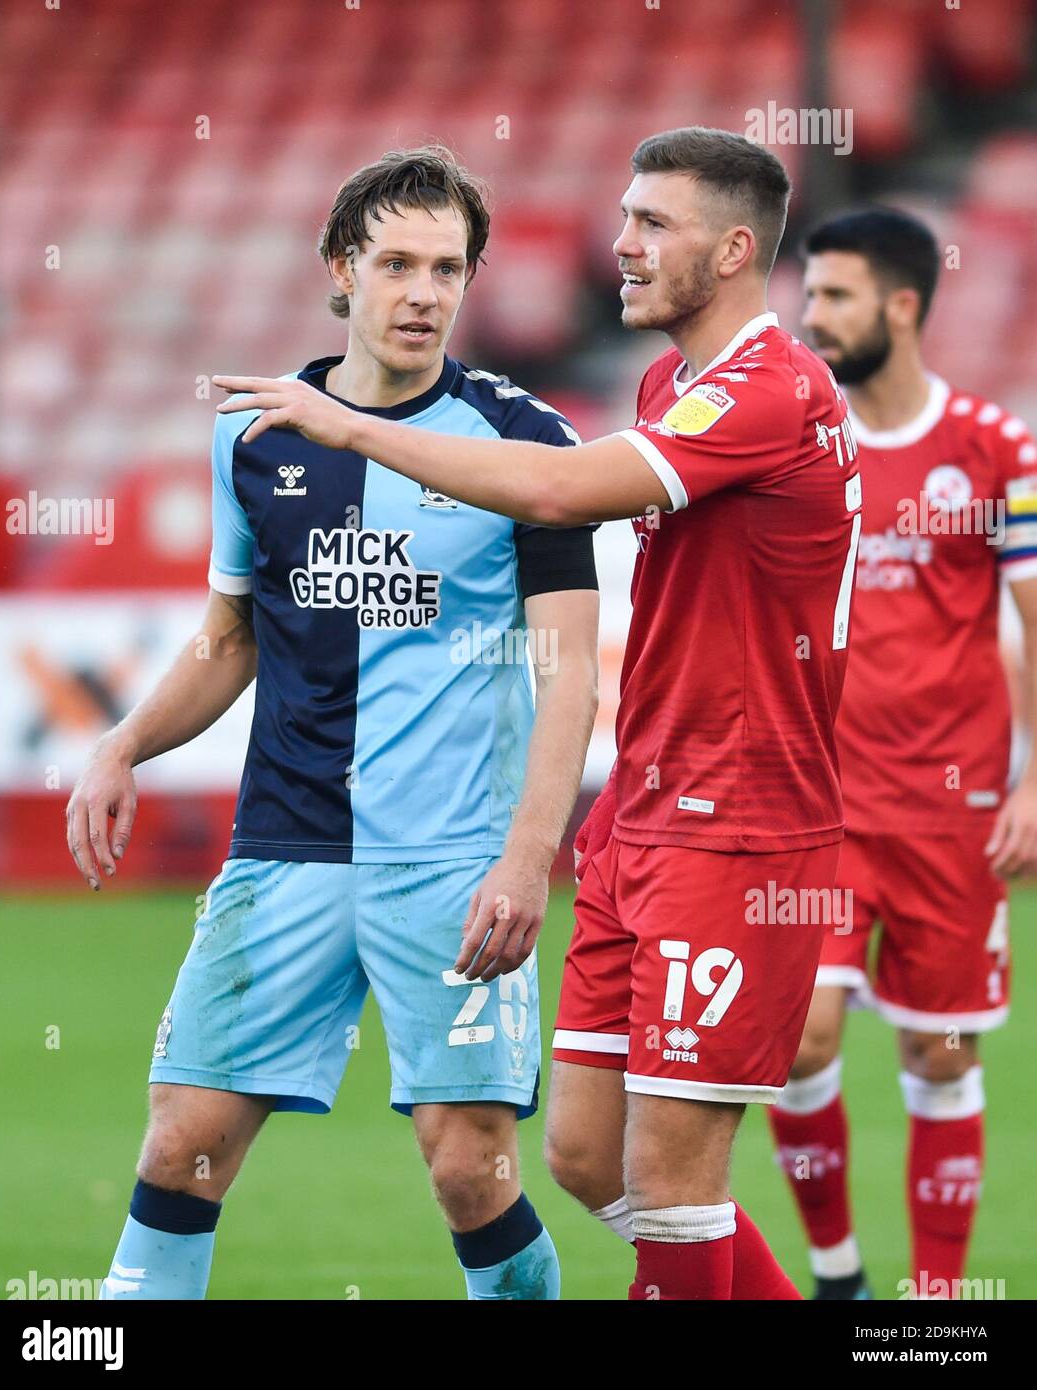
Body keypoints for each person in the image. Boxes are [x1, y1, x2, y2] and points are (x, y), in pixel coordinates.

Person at [214, 125, 861, 1300]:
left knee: (673, 1184)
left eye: (650, 224)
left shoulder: (777, 386)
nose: (618, 243)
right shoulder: (675, 384)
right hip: (640, 814)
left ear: (729, 251)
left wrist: (351, 427)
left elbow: (562, 486)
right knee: (579, 1154)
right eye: (623, 217)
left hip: (739, 825)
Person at [67, 146, 600, 1301]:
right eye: (397, 263)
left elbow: (570, 670)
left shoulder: (529, 445)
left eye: (448, 268)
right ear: (340, 271)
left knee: (470, 1166)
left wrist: (526, 856)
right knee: (182, 1143)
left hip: (455, 859)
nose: (423, 292)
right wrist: (122, 745)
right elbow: (230, 638)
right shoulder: (256, 438)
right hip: (285, 846)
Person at [767, 207, 1037, 1300]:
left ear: (903, 305)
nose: (811, 316)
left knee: (940, 1056)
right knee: (799, 1039)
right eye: (810, 294)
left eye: (833, 296)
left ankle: (933, 1310)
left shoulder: (997, 449)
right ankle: (838, 1279)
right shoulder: (791, 446)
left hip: (954, 810)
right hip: (821, 810)